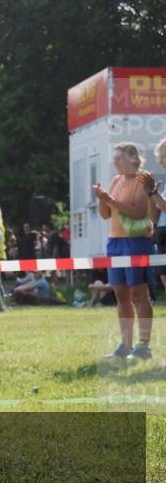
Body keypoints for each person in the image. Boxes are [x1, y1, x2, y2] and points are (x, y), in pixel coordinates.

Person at [93, 142, 155, 360]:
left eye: (118, 158)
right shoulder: (116, 180)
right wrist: (103, 199)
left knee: (139, 294)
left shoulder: (142, 180)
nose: (114, 162)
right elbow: (105, 214)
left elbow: (139, 212)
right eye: (114, 158)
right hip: (115, 242)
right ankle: (125, 346)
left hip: (137, 242)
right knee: (120, 294)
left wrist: (111, 200)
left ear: (132, 158)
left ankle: (144, 346)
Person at [138, 136, 166, 297]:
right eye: (160, 157)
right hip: (162, 236)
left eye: (165, 156)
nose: (161, 161)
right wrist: (150, 193)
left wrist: (154, 192)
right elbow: (155, 218)